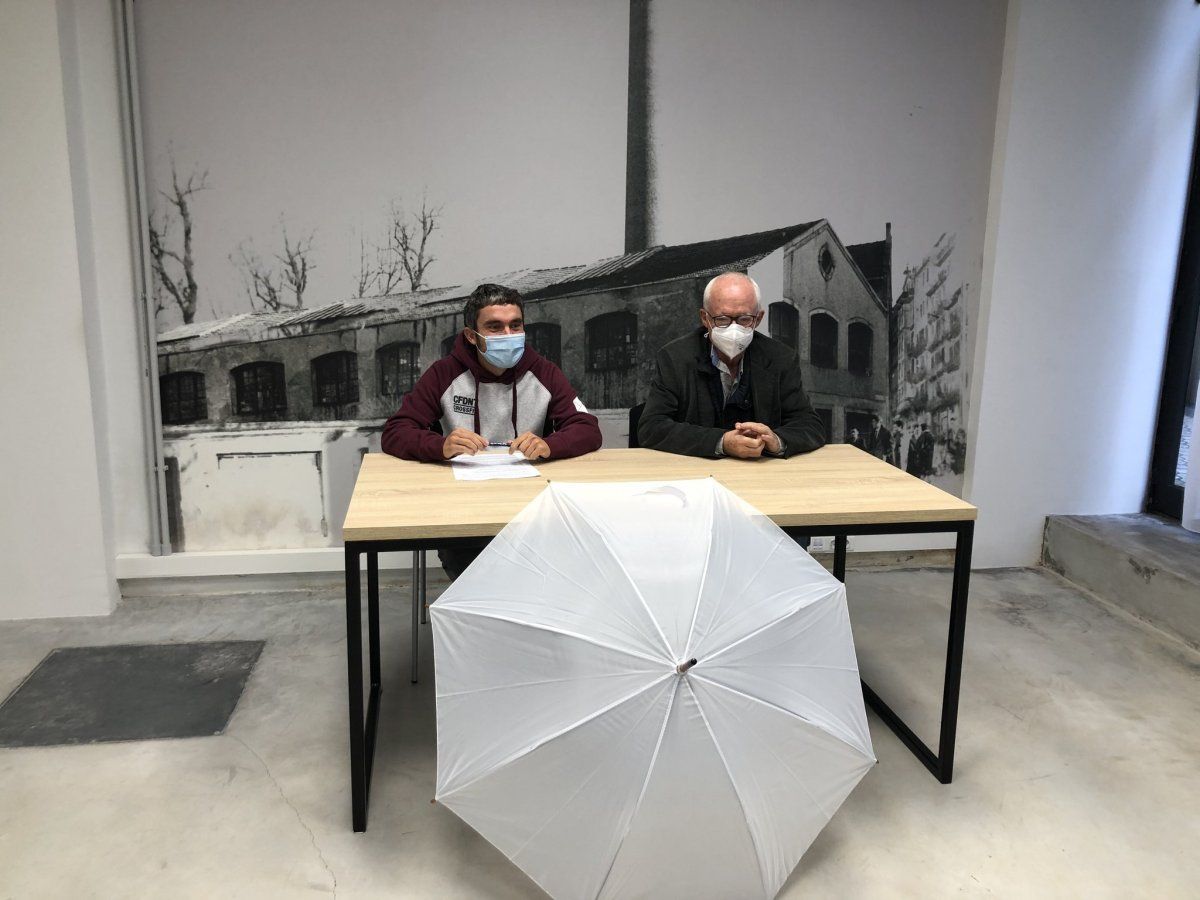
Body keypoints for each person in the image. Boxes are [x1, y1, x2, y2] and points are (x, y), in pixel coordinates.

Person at [381, 283, 602, 576]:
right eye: (495, 327)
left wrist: (550, 445)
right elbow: (396, 431)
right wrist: (440, 446)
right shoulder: (444, 373)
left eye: (515, 325)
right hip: (464, 509)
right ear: (472, 336)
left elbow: (587, 428)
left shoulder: (544, 372)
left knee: (555, 568)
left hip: (533, 506)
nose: (508, 335)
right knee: (479, 575)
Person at [638, 271, 825, 460]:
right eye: (722, 319)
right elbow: (651, 427)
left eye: (744, 319)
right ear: (705, 318)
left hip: (760, 470)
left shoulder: (780, 359)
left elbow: (810, 425)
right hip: (696, 470)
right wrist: (722, 442)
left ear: (758, 318)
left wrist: (776, 441)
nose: (733, 329)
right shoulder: (675, 358)